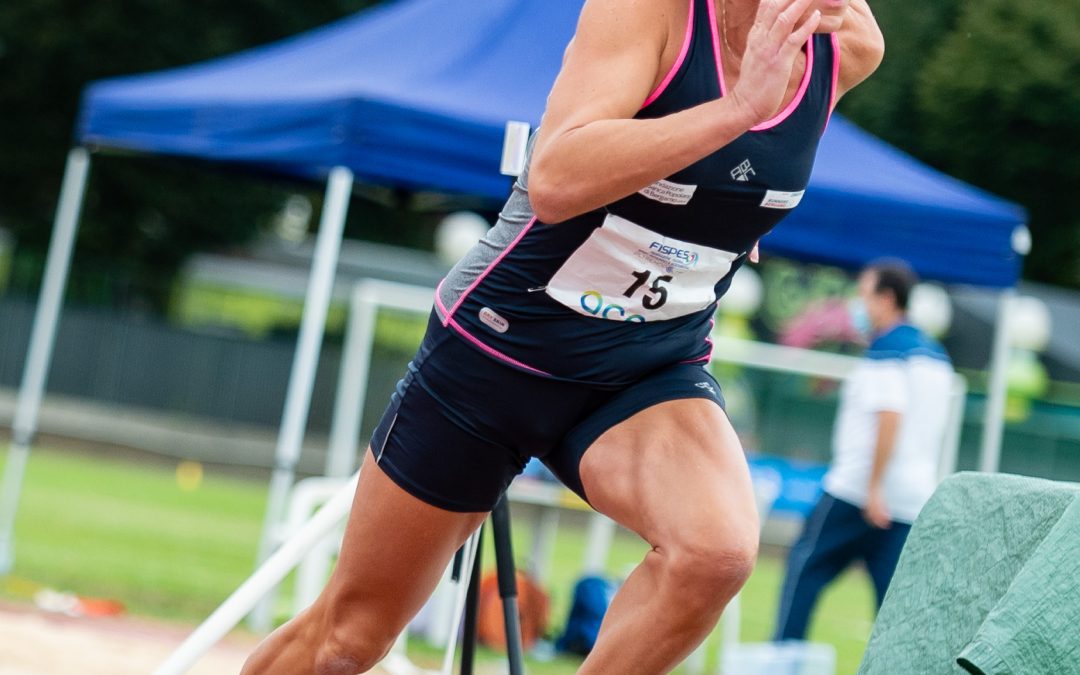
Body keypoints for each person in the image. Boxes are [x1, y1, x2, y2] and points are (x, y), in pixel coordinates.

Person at [244, 0, 883, 672]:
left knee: (715, 552)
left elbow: (747, 173)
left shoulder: (846, 47)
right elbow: (554, 178)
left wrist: (723, 212)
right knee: (347, 641)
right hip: (502, 353)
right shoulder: (647, 13)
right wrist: (732, 113)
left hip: (646, 367)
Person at [773, 260, 955, 642]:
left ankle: (782, 661)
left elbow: (890, 414)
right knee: (894, 610)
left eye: (864, 295)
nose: (858, 304)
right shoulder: (936, 356)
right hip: (911, 497)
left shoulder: (887, 351)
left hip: (858, 490)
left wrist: (874, 487)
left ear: (886, 299)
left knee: (804, 572)